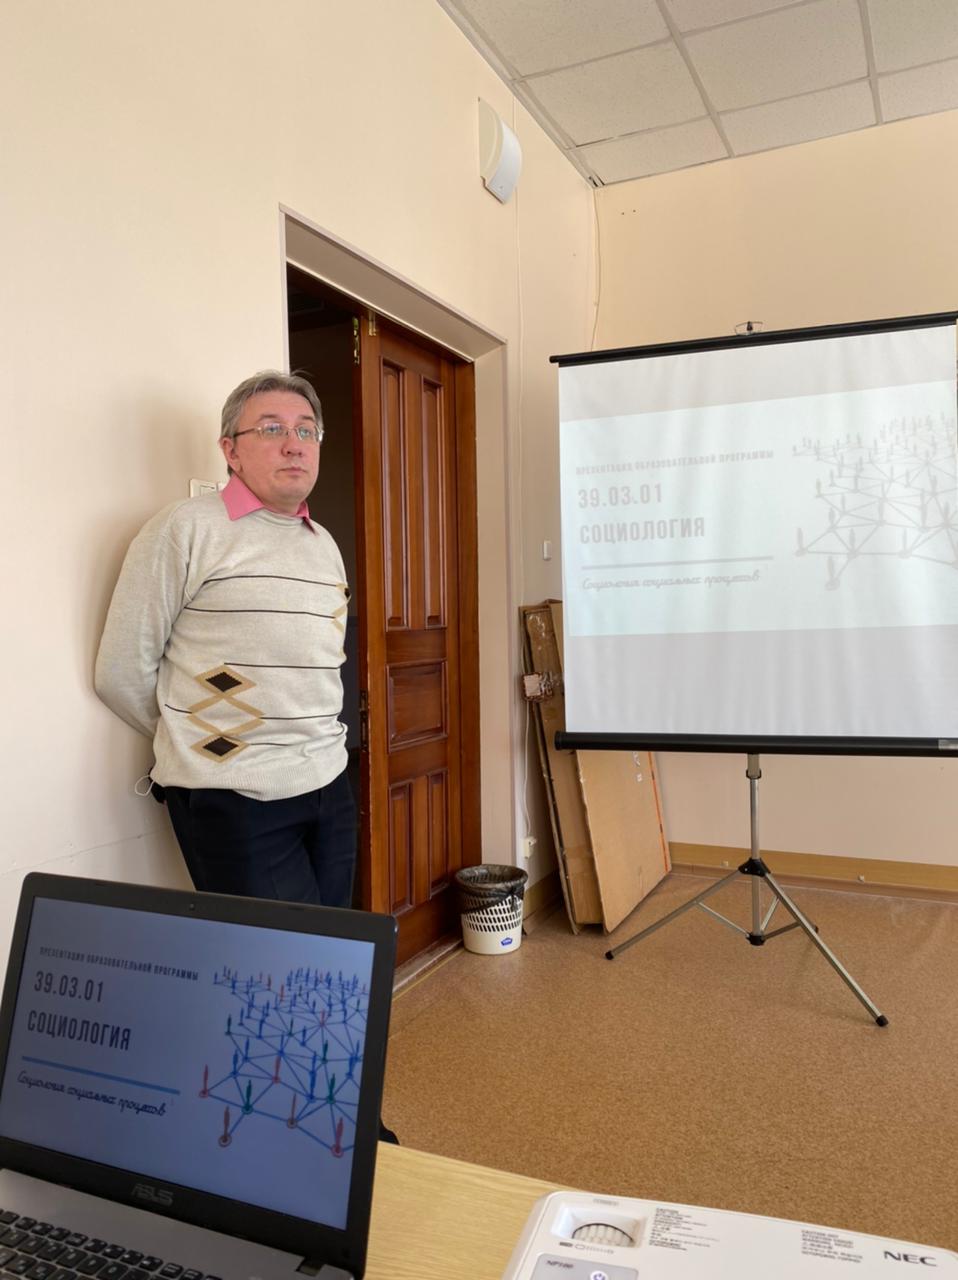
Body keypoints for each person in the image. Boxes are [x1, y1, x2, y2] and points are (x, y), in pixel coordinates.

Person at [95, 371, 356, 907]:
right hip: (234, 797)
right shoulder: (185, 529)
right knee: (275, 956)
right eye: (271, 428)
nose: (294, 444)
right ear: (230, 451)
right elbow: (121, 671)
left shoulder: (323, 543)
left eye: (306, 430)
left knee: (336, 946)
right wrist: (196, 737)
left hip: (329, 780)